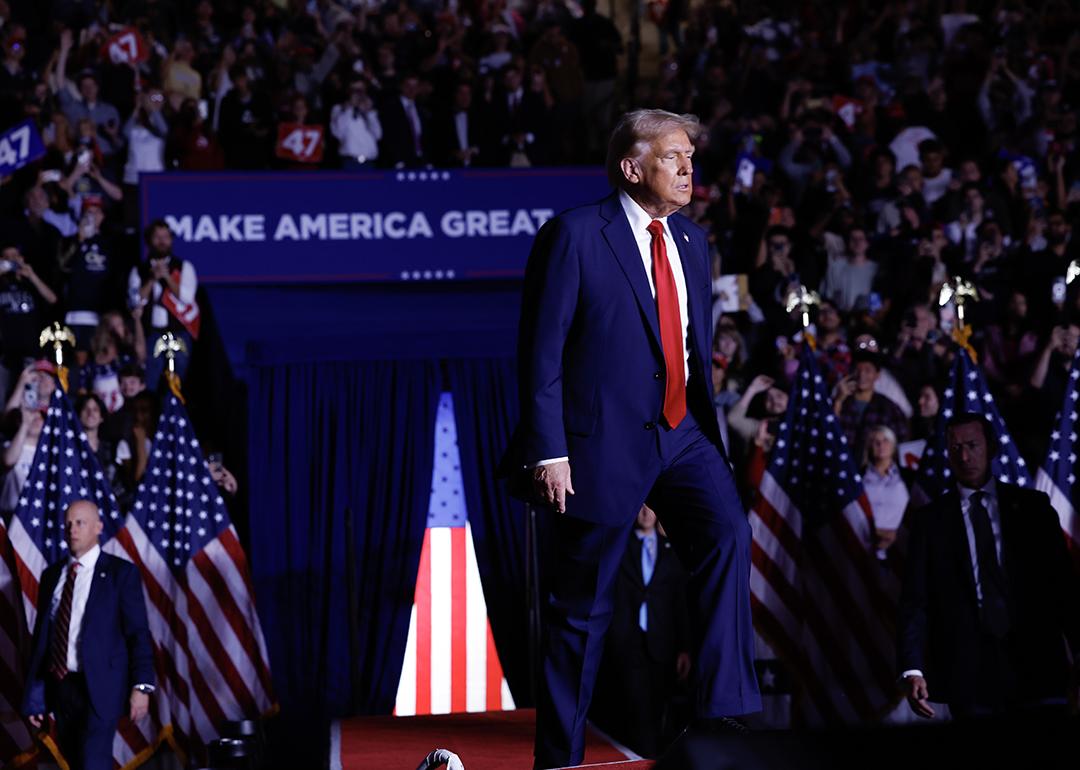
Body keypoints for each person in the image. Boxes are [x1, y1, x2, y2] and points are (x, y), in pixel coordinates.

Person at [500, 109, 760, 769]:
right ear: (631, 166)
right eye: (673, 156)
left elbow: (687, 349)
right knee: (581, 610)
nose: (687, 168)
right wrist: (548, 449)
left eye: (690, 157)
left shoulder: (695, 243)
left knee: (728, 532)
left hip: (684, 435)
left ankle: (721, 716)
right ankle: (559, 755)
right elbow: (541, 353)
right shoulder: (575, 235)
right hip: (599, 448)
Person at [897, 413, 1080, 719]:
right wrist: (912, 669)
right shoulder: (930, 521)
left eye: (972, 445)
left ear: (992, 448)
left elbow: (1062, 586)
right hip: (967, 674)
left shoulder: (1034, 508)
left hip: (1037, 665)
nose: (964, 456)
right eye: (955, 448)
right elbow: (915, 601)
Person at [22, 500, 155, 770]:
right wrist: (36, 697)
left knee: (93, 763)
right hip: (62, 688)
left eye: (80, 523)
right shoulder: (51, 576)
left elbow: (138, 633)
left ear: (98, 527)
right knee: (73, 763)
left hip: (101, 688)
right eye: (68, 523)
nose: (72, 529)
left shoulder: (121, 574)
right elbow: (42, 642)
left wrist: (141, 686)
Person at [590, 505, 691, 758]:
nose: (645, 513)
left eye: (652, 507)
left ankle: (653, 756)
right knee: (636, 709)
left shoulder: (671, 551)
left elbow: (680, 604)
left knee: (659, 708)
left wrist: (684, 648)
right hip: (628, 642)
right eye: (641, 507)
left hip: (662, 644)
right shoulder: (619, 549)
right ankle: (641, 758)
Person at [129, 220, 199, 389]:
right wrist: (152, 279)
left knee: (178, 382)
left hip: (179, 332)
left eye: (166, 237)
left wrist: (167, 277)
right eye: (157, 237)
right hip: (151, 333)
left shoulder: (183, 267)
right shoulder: (140, 270)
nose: (162, 241)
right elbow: (135, 301)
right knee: (150, 381)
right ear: (149, 240)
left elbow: (187, 297)